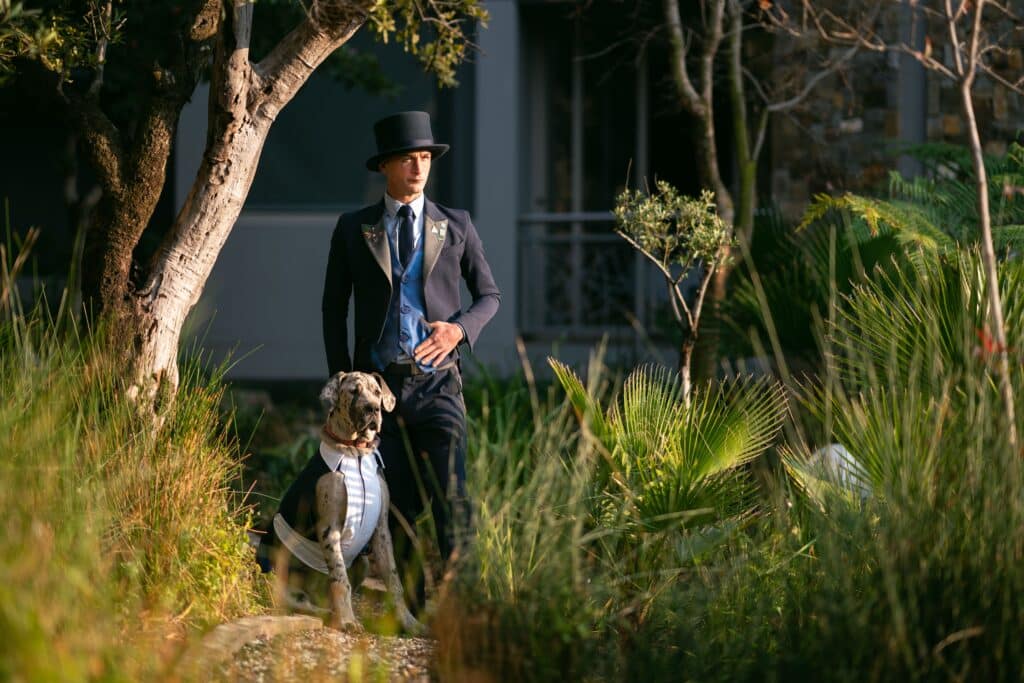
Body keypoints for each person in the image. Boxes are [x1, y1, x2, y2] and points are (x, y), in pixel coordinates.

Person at [321, 111, 500, 593]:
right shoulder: (353, 228)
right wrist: (342, 385)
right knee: (391, 502)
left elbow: (490, 297)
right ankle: (409, 609)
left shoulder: (456, 225)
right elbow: (333, 309)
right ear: (385, 167)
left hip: (440, 384)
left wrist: (457, 332)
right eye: (406, 159)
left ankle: (463, 604)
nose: (418, 168)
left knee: (452, 496)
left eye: (424, 157)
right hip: (379, 390)